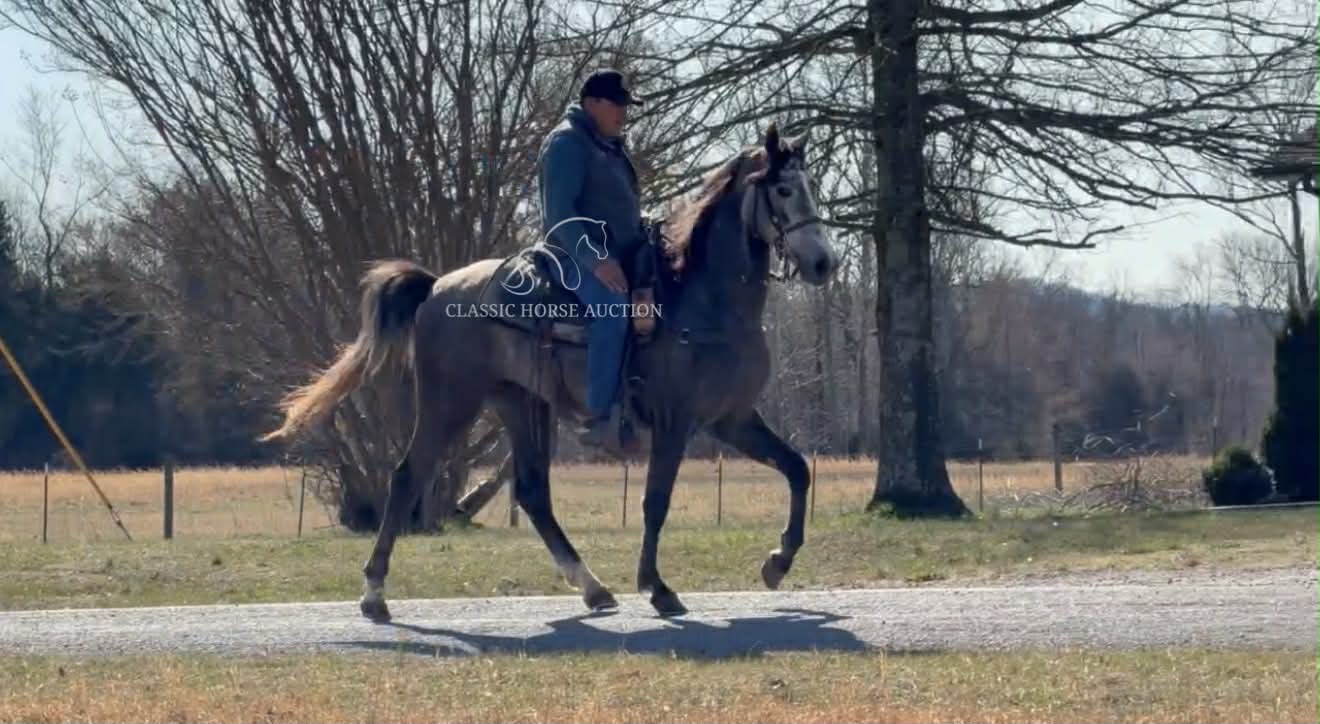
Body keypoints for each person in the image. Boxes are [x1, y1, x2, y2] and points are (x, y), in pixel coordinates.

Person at [537, 68, 646, 455]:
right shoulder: (566, 143)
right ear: (592, 103)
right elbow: (560, 214)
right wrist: (597, 260)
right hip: (571, 255)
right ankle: (601, 417)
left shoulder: (608, 146)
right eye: (617, 104)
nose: (624, 113)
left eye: (626, 105)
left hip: (619, 253)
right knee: (612, 308)